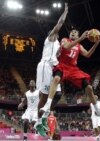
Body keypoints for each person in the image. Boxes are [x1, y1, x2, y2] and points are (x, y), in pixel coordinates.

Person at [35, 3, 68, 137]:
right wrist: (65, 12)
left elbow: (60, 55)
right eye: (55, 32)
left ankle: (43, 117)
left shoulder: (58, 43)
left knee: (58, 95)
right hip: (45, 66)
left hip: (53, 68)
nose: (56, 33)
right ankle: (38, 122)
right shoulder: (50, 39)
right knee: (43, 96)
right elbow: (59, 24)